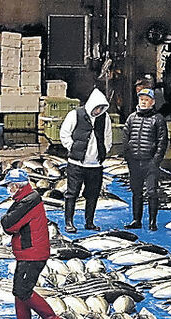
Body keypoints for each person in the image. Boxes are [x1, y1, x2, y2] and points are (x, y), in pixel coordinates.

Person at [0, 169, 63, 319]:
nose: (8, 189)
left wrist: (6, 220)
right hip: (27, 252)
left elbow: (9, 225)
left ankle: (50, 318)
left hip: (33, 253)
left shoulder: (27, 202)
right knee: (19, 290)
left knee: (23, 290)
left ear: (17, 186)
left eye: (9, 186)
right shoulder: (26, 198)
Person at [59, 88, 113, 233]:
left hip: (96, 165)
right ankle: (69, 222)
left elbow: (108, 136)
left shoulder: (105, 118)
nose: (98, 111)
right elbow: (64, 133)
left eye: (101, 108)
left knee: (93, 194)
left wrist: (104, 151)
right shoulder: (75, 114)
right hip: (77, 164)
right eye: (97, 108)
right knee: (72, 193)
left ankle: (89, 222)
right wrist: (72, 148)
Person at [123, 88, 169, 230]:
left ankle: (152, 222)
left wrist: (156, 161)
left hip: (150, 162)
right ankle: (136, 220)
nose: (143, 102)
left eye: (146, 100)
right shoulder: (131, 118)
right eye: (141, 99)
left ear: (153, 102)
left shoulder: (158, 119)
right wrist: (128, 158)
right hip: (135, 162)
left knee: (152, 192)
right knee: (136, 191)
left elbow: (162, 141)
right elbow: (125, 138)